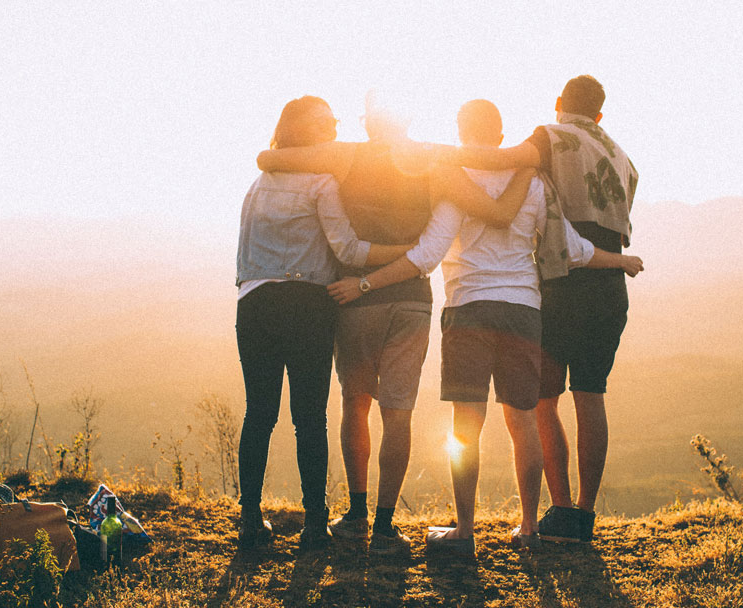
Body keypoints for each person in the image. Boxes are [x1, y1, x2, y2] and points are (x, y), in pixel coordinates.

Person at [328, 99, 643, 556]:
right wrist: (621, 261)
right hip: (523, 311)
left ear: (460, 131)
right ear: (500, 136)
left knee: (466, 427)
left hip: (468, 309)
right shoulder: (534, 182)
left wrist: (365, 283)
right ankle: (530, 528)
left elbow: (427, 255)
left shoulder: (455, 180)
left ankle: (465, 532)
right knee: (523, 423)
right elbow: (572, 248)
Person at [256, 92, 532, 554]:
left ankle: (356, 512)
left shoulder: (346, 156)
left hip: (355, 297)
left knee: (355, 402)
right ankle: (385, 526)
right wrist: (528, 166)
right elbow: (493, 210)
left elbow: (272, 158)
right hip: (412, 300)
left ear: (368, 124)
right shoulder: (434, 161)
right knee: (398, 411)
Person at [439, 75, 639, 543]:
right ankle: (582, 517)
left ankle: (559, 510)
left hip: (562, 281)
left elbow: (503, 160)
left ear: (558, 104)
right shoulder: (624, 158)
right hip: (608, 284)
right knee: (591, 396)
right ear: (601, 114)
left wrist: (435, 155)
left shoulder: (551, 137)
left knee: (541, 403)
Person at [235, 95, 413, 550]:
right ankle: (315, 525)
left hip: (254, 303)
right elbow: (349, 251)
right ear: (304, 132)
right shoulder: (321, 182)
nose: (334, 128)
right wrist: (408, 253)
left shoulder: (258, 184)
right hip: (307, 305)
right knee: (309, 418)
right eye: (325, 123)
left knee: (259, 414)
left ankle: (250, 521)